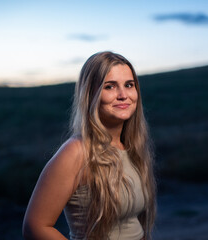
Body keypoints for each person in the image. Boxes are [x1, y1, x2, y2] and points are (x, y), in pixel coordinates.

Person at [23, 51, 156, 240]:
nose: (123, 95)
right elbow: (34, 227)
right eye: (110, 87)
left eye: (129, 85)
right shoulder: (77, 152)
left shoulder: (131, 147)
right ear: (90, 94)